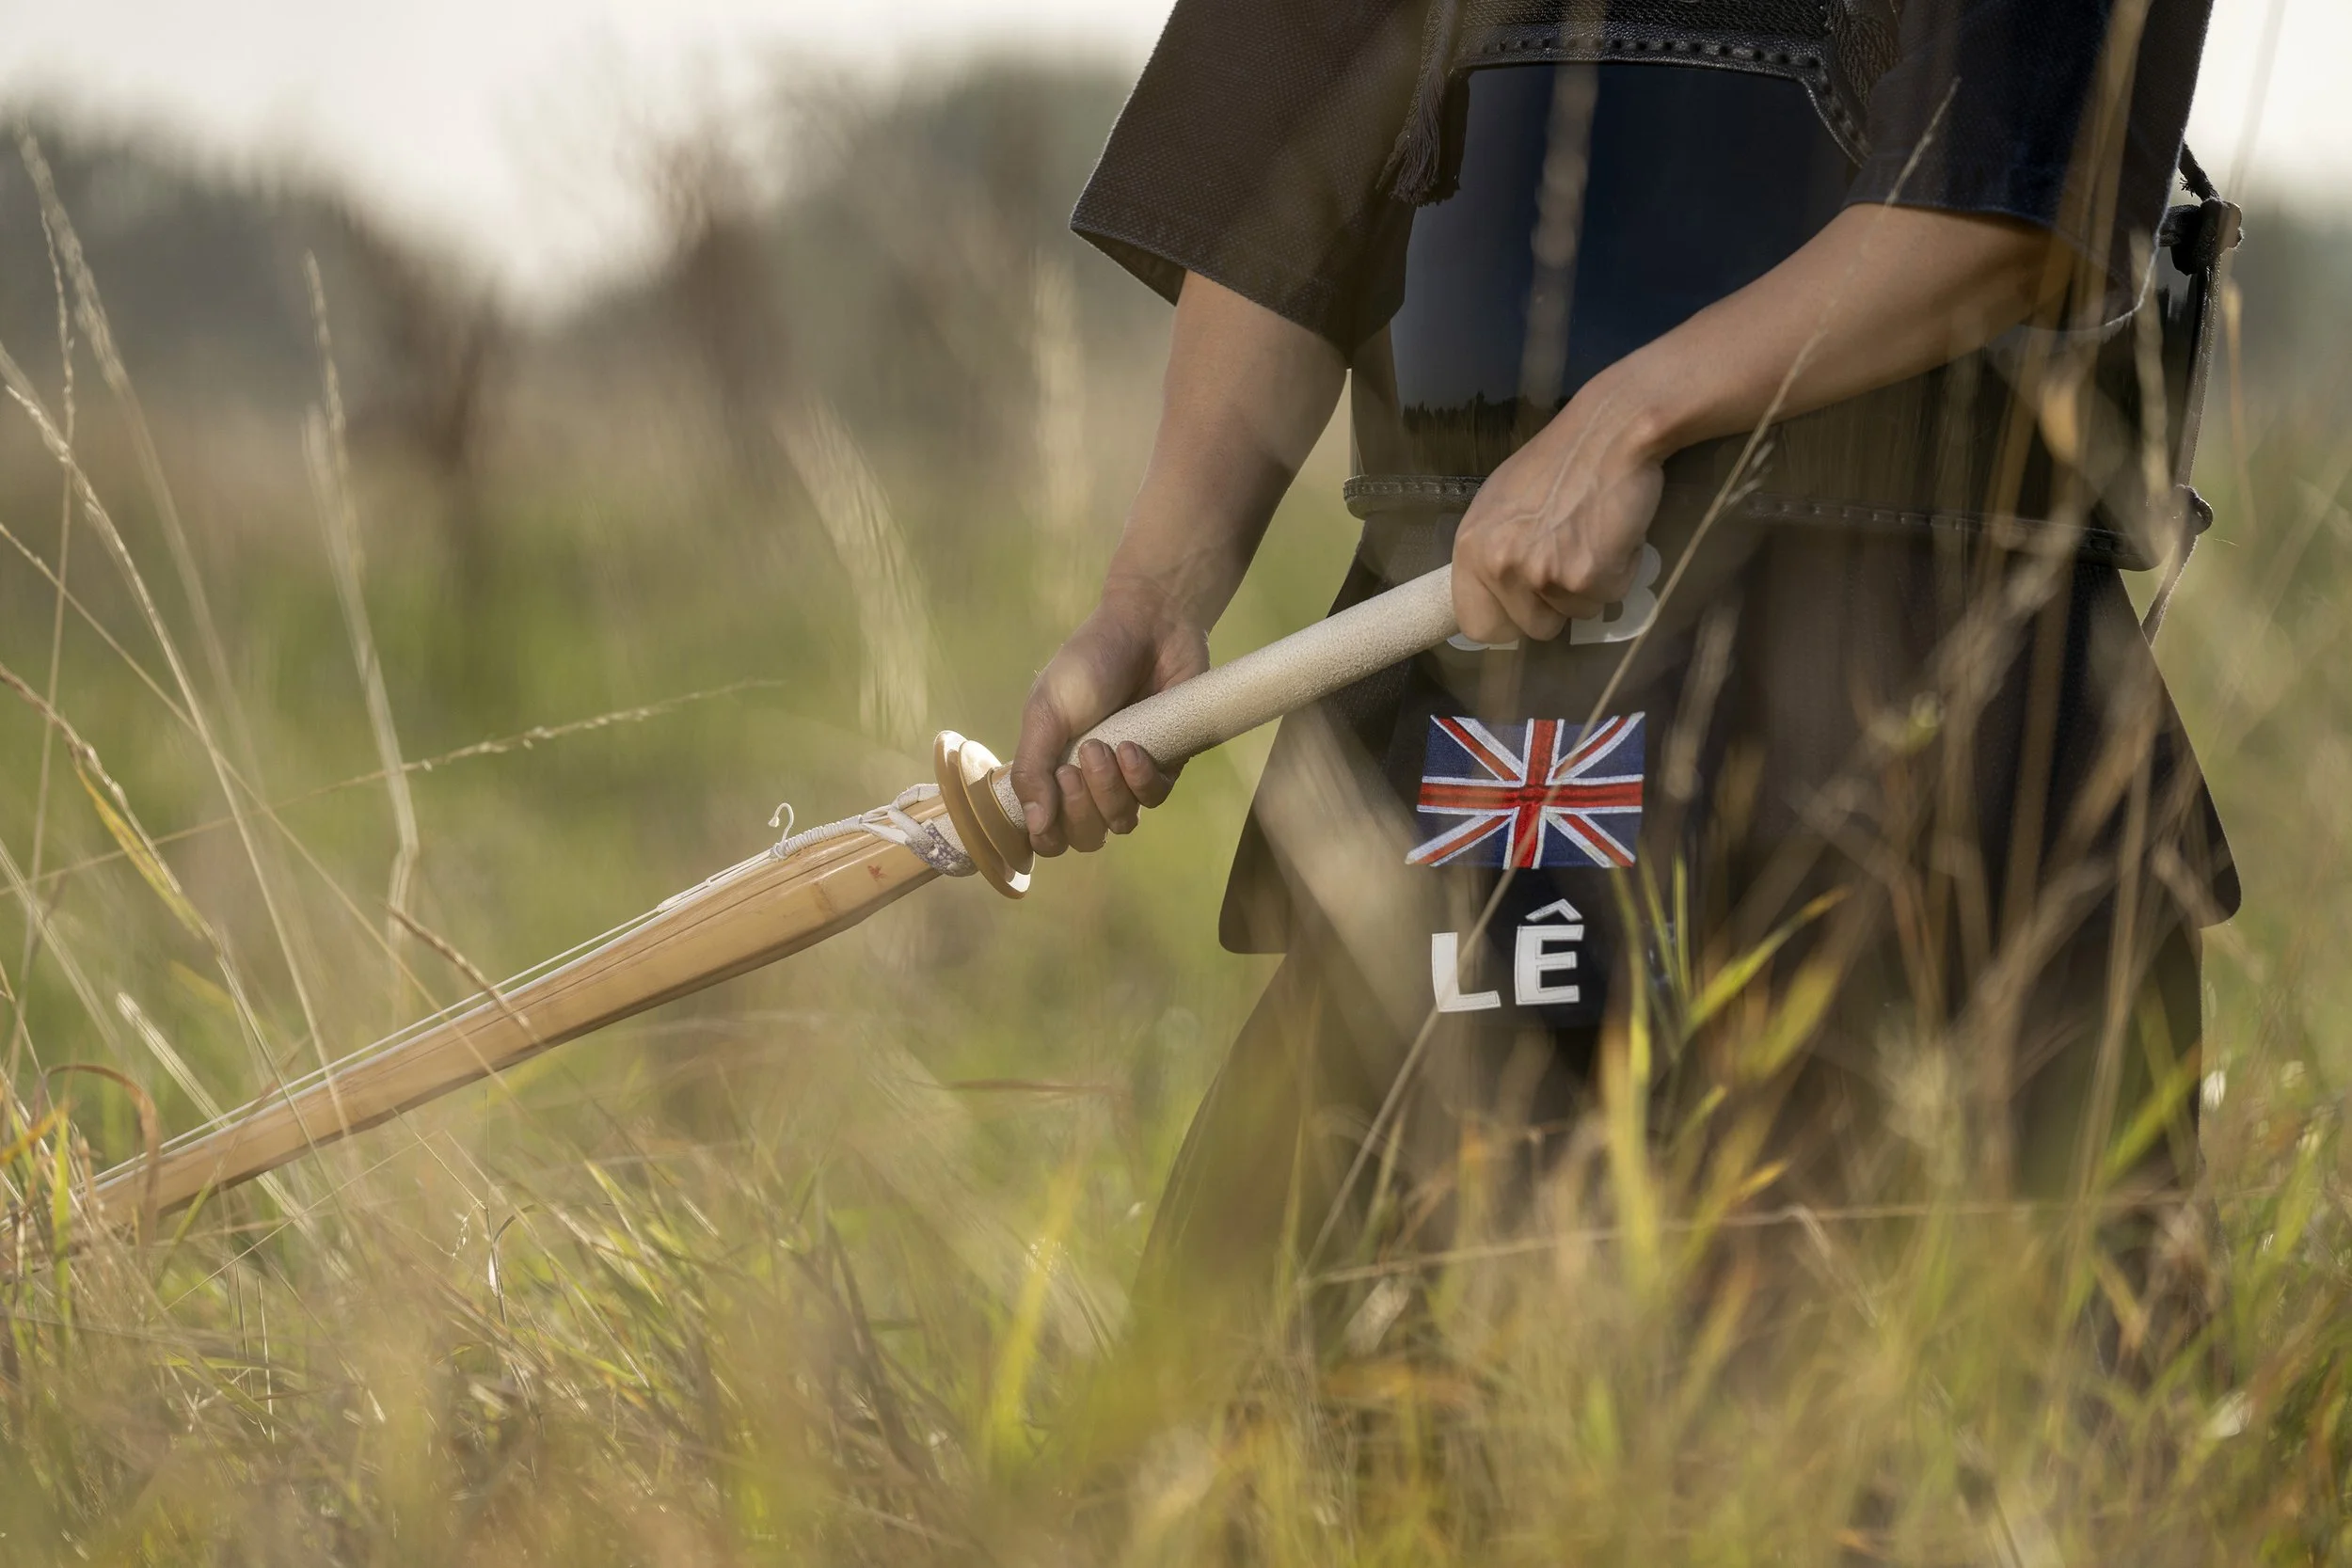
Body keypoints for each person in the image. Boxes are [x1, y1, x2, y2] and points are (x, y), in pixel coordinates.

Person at [1013, 0, 2237, 1376]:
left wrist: (1632, 411)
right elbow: (1293, 140)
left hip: (1919, 684)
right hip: (1479, 699)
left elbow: (2016, 188)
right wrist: (1153, 598)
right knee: (1283, 1396)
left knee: (1939, 1412)